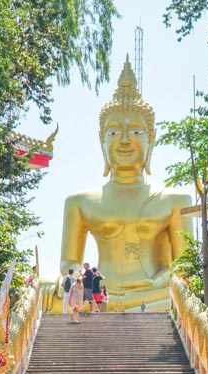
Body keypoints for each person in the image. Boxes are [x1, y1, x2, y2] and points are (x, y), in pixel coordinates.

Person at [59, 57, 192, 312]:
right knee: (47, 290)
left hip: (153, 292)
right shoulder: (79, 202)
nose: (123, 141)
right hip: (97, 292)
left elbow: (185, 267)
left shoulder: (175, 201)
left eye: (135, 132)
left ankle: (122, 305)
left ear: (151, 140)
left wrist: (157, 281)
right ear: (102, 142)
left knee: (183, 297)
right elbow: (68, 261)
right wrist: (74, 276)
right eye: (113, 132)